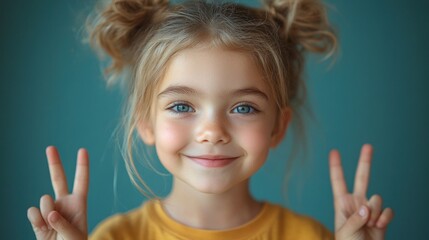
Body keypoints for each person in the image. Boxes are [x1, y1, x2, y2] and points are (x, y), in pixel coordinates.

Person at [27, 0, 395, 239]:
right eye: (182, 106)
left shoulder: (309, 236)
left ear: (278, 127)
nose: (212, 132)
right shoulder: (116, 236)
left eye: (243, 108)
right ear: (146, 122)